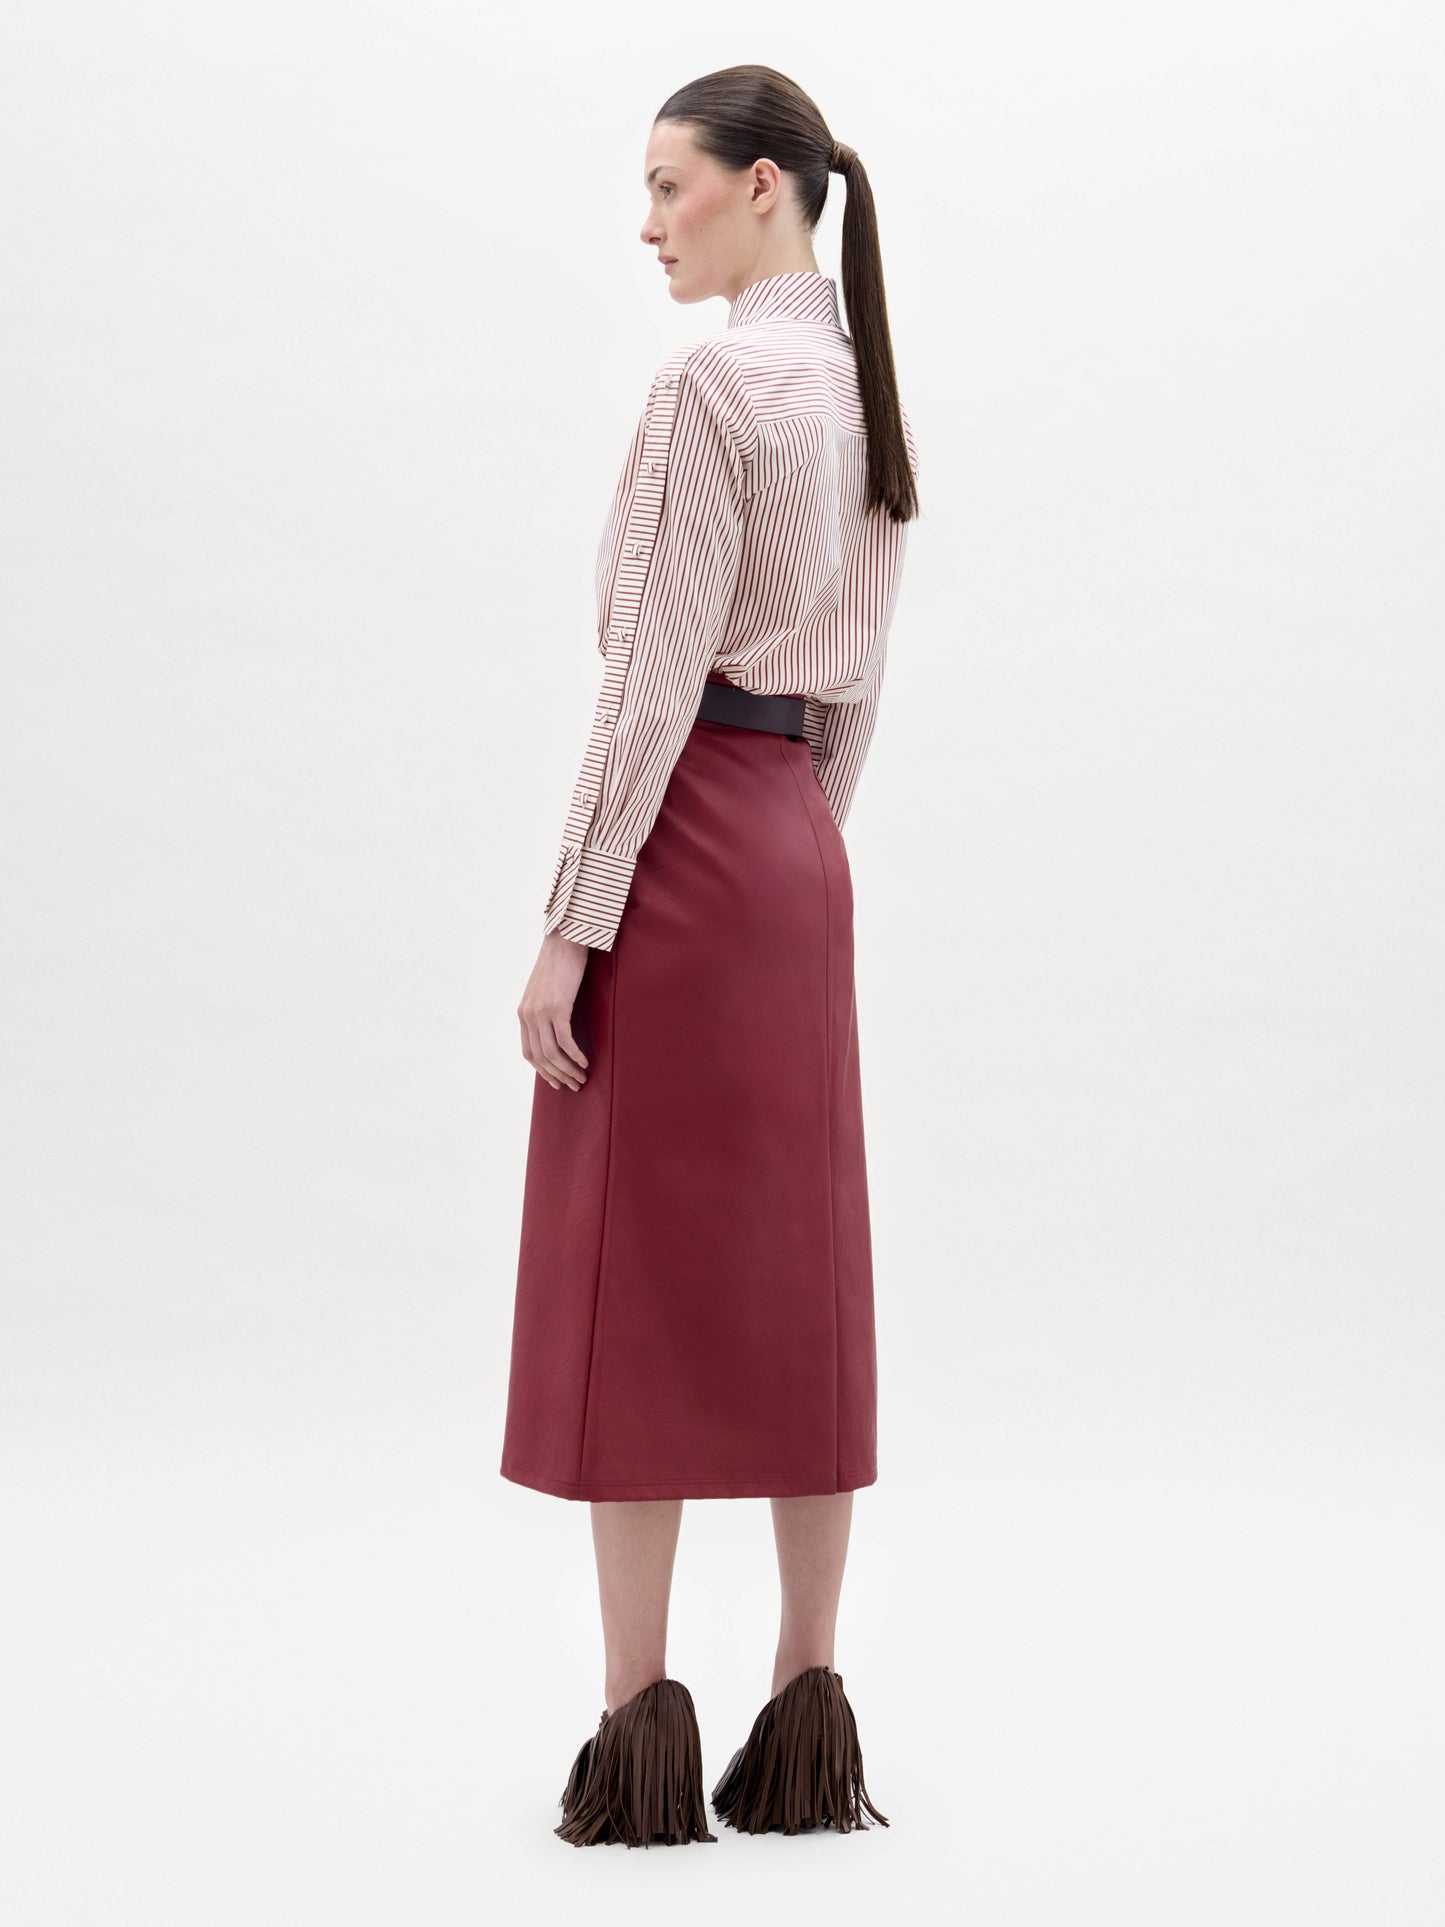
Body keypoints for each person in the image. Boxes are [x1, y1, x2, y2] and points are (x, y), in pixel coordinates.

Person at [499, 63, 921, 1848]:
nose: (648, 220)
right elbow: (855, 689)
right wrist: (795, 844)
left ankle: (635, 1732)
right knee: (799, 1275)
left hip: (679, 858)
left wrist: (566, 926)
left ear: (768, 188)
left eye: (672, 185)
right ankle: (807, 1711)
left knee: (634, 1279)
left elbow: (644, 690)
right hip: (792, 866)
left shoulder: (708, 387)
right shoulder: (860, 391)